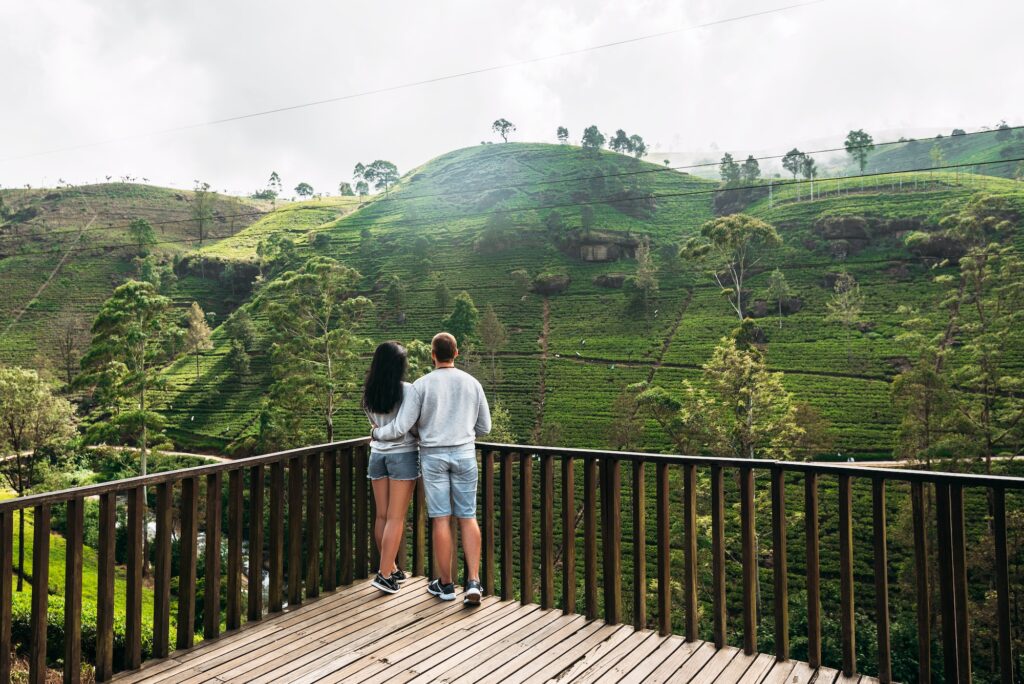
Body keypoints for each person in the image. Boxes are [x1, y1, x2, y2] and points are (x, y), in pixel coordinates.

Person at [371, 332, 491, 605]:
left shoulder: (421, 386)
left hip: (433, 456)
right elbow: (485, 427)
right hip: (464, 454)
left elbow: (404, 426)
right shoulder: (473, 383)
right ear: (456, 353)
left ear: (432, 355)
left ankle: (446, 584)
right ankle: (473, 581)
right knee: (468, 516)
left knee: (440, 519)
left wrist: (378, 434)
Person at [363, 341, 420, 595]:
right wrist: (382, 434)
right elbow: (402, 428)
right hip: (402, 457)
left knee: (383, 516)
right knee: (396, 518)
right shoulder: (407, 390)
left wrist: (376, 435)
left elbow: (375, 428)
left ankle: (391, 567)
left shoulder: (368, 392)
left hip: (377, 457)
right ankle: (384, 574)